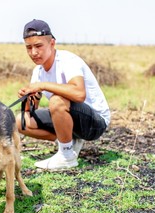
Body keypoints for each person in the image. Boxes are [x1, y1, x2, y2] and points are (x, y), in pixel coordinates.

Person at [16, 19, 111, 170]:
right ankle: (67, 141)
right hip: (71, 118)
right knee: (20, 120)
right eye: (29, 47)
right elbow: (31, 110)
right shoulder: (38, 71)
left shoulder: (68, 60)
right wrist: (28, 96)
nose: (33, 52)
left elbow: (79, 94)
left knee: (57, 100)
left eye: (39, 46)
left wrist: (42, 85)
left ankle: (66, 157)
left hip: (95, 122)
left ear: (52, 43)